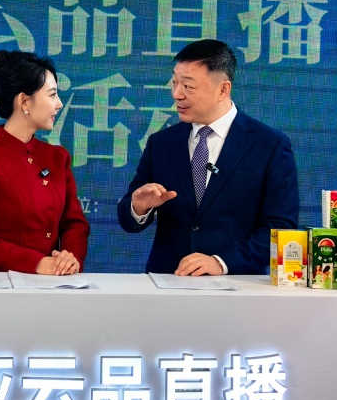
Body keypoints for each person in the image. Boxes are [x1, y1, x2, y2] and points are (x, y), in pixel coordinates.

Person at [117, 39, 299, 275]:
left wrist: (221, 262)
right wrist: (138, 207)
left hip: (237, 285)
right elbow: (128, 219)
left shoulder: (269, 145)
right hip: (167, 281)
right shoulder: (161, 143)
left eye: (188, 86)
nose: (177, 94)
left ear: (223, 89)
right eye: (174, 83)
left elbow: (281, 229)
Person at [0, 50, 90, 275]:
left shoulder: (58, 158)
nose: (59, 104)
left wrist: (70, 257)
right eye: (52, 95)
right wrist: (36, 263)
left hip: (53, 283)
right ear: (24, 101)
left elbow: (74, 223)